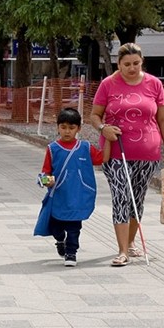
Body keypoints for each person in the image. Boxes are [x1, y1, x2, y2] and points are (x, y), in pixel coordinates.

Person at [90, 43, 164, 267]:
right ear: (118, 64)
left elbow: (163, 120)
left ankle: (129, 243)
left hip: (148, 152)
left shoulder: (154, 84)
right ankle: (122, 251)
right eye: (126, 64)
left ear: (142, 61)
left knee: (137, 200)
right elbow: (94, 116)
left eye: (136, 63)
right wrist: (102, 129)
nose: (132, 68)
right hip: (116, 150)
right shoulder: (108, 84)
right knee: (121, 196)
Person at [34, 108, 110, 267]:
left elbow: (103, 158)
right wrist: (46, 181)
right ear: (57, 127)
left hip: (78, 197)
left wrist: (108, 138)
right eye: (63, 127)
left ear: (78, 129)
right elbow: (45, 172)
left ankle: (71, 252)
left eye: (71, 128)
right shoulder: (52, 148)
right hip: (59, 197)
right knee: (56, 227)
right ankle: (60, 239)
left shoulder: (86, 147)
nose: (67, 131)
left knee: (74, 227)